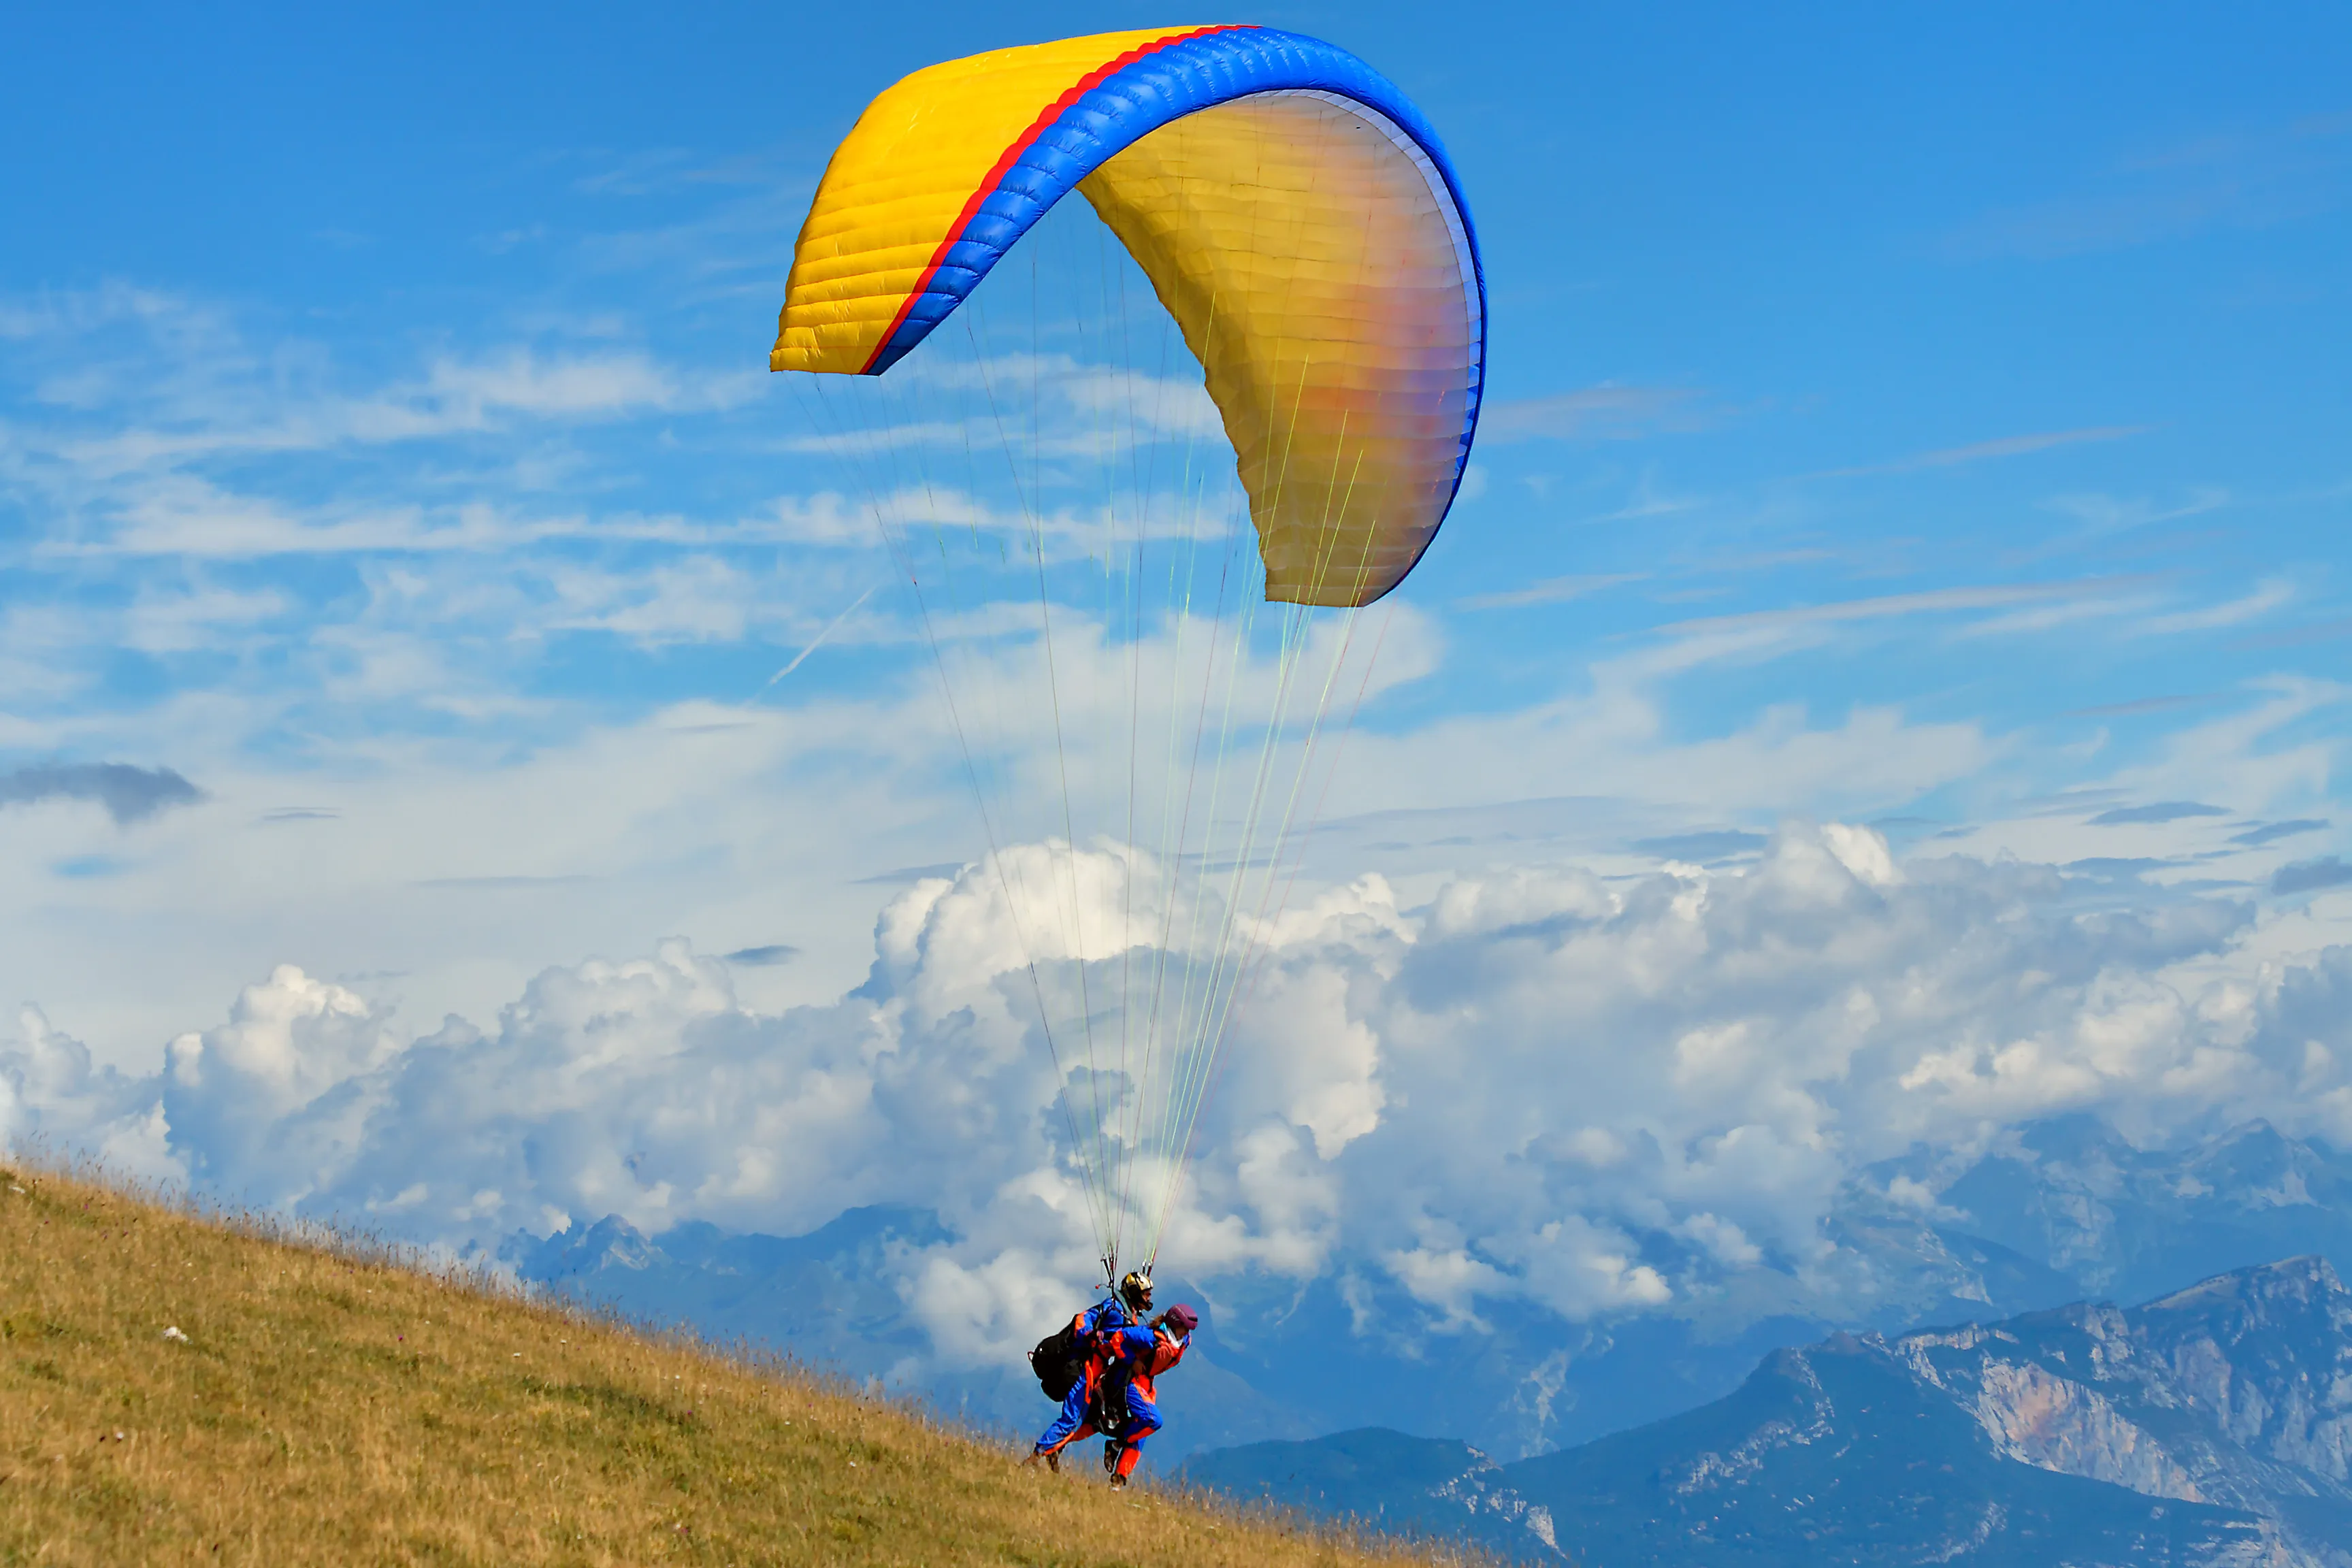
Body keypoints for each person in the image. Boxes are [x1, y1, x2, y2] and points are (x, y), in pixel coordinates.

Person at [1025, 1271, 1153, 1471]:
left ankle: (1055, 1451)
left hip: (1099, 1374)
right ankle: (1034, 1459)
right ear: (1135, 1292)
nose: (1149, 1298)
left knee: (1095, 1419)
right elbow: (1083, 1320)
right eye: (1146, 1293)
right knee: (1070, 1419)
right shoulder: (1113, 1309)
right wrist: (1091, 1333)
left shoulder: (1129, 1314)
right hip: (1087, 1370)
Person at [1092, 1305, 1198, 1487]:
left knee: (1142, 1431)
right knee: (1153, 1420)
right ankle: (1115, 1445)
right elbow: (1119, 1338)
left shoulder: (1184, 1341)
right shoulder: (1150, 1336)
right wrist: (1132, 1361)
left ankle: (1119, 1480)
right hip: (1130, 1382)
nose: (1186, 1333)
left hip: (1147, 1385)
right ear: (1174, 1323)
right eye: (1184, 1328)